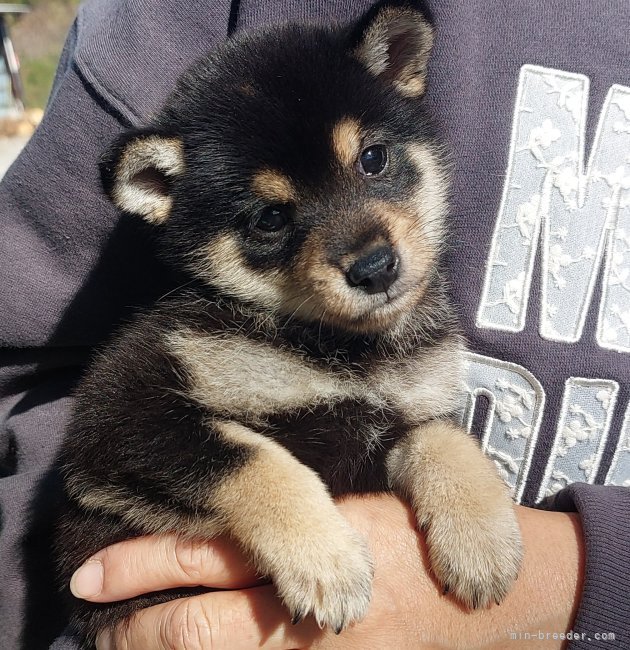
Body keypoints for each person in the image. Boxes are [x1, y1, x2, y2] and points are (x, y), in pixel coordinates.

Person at [1, 1, 628, 648]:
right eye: (271, 221)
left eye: (374, 162)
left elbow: (412, 432)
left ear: (401, 66)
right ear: (165, 194)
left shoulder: (425, 334)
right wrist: (275, 506)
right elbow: (107, 428)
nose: (365, 249)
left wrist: (558, 561)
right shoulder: (211, 338)